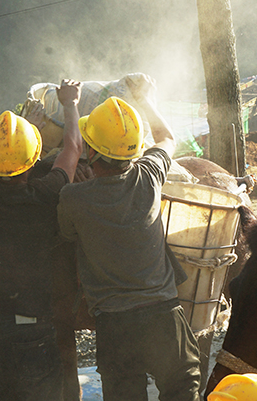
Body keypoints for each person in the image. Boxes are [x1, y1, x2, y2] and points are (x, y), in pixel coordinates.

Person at [57, 94, 202, 401]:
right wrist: (146, 99)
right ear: (135, 152)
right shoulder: (149, 175)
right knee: (182, 390)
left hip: (115, 326)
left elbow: (67, 235)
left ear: (91, 152)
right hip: (164, 316)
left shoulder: (73, 199)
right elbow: (167, 137)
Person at [0, 79, 82, 401]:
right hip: (31, 335)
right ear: (34, 159)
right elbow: (72, 149)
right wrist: (69, 104)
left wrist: (27, 124)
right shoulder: (46, 194)